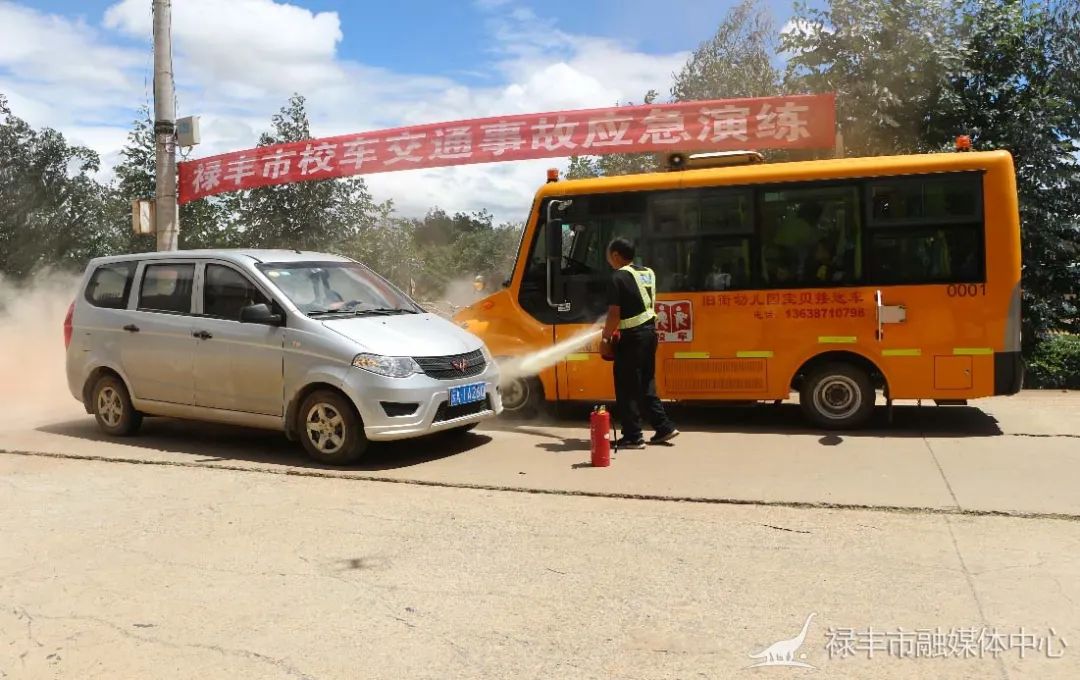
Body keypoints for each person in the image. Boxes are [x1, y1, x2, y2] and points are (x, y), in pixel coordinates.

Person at [600, 238, 679, 449]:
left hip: (632, 338)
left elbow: (614, 313)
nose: (608, 258)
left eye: (608, 254)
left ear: (615, 255)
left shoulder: (617, 277)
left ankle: (633, 436)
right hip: (649, 334)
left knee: (626, 387)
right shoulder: (647, 273)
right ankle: (664, 427)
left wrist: (606, 338)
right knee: (646, 383)